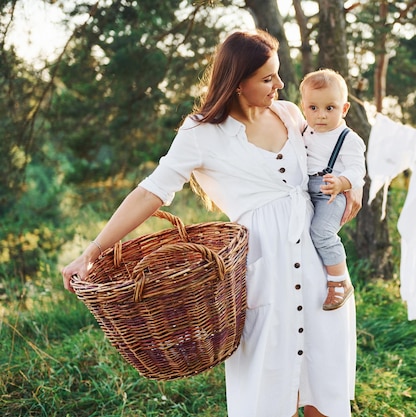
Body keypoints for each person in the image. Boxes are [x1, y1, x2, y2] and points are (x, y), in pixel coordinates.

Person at [61, 30, 362, 417]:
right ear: (238, 83)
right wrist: (93, 251)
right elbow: (152, 191)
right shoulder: (201, 131)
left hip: (320, 272)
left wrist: (353, 186)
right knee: (268, 396)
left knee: (325, 393)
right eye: (268, 78)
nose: (280, 85)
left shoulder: (290, 113)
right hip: (261, 275)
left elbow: (336, 151)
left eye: (278, 74)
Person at [299, 69, 366, 311]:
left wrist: (342, 183)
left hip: (332, 194)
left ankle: (340, 282)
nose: (321, 115)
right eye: (313, 108)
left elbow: (358, 169)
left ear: (344, 109)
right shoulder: (304, 130)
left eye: (330, 108)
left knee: (322, 232)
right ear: (304, 108)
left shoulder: (348, 138)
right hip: (307, 190)